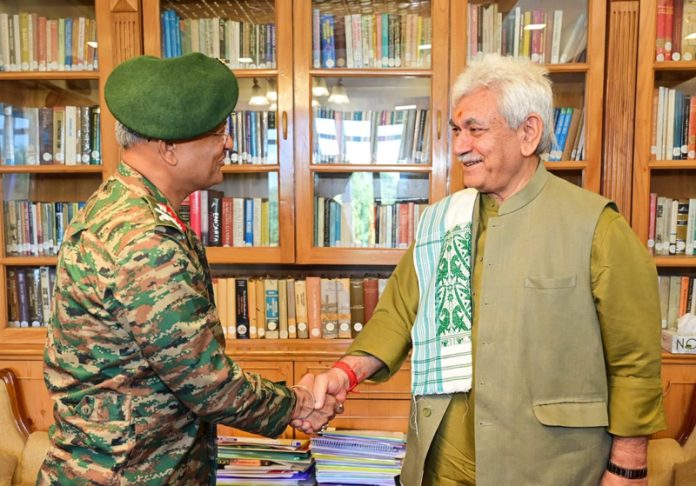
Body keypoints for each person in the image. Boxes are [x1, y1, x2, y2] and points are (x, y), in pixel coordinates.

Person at [310, 53, 666, 486]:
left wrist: (628, 463)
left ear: (528, 133)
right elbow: (397, 315)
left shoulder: (596, 226)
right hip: (442, 460)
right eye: (457, 130)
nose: (460, 146)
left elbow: (634, 359)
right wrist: (343, 374)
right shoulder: (442, 221)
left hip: (550, 466)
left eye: (475, 130)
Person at [39, 53, 338, 485]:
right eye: (218, 133)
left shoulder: (129, 209)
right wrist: (297, 404)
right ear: (169, 148)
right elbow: (206, 383)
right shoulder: (143, 238)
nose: (229, 144)